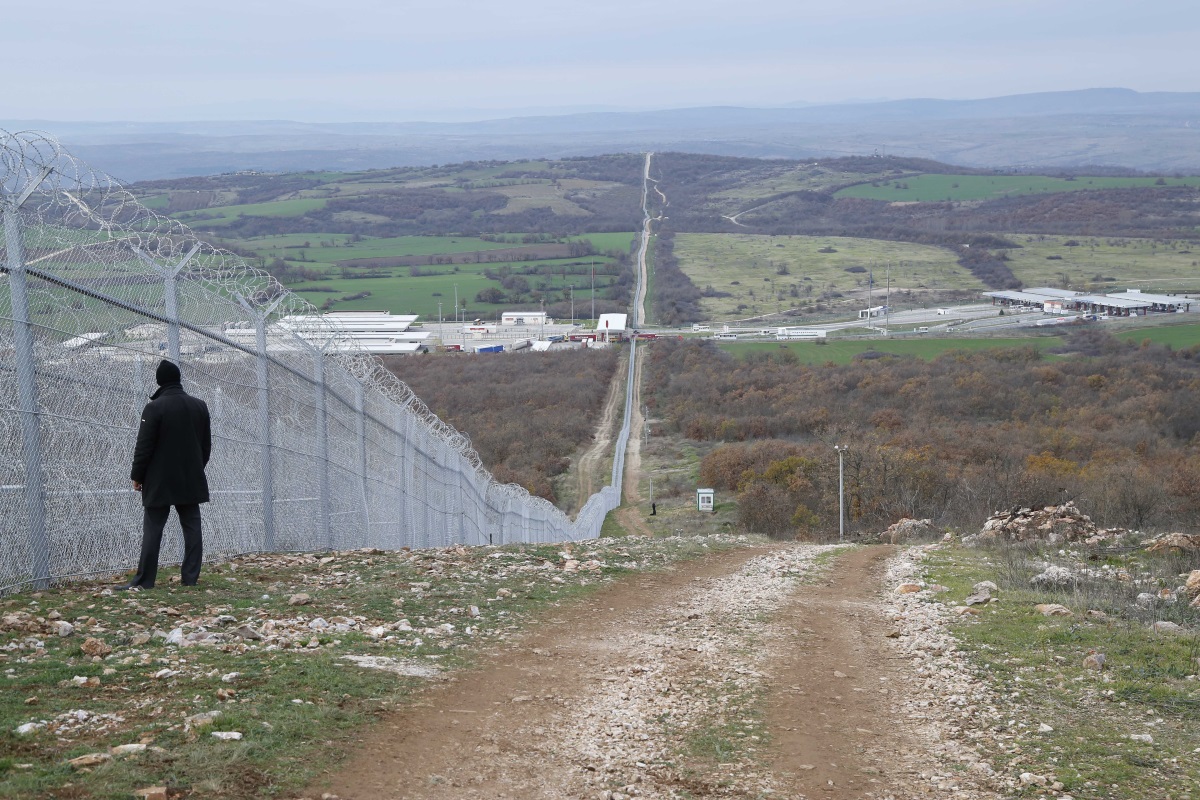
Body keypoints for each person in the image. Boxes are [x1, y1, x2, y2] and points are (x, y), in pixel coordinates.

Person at [120, 359, 211, 590]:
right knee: (192, 527)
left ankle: (145, 580)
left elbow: (144, 447)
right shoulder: (199, 406)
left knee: (153, 529)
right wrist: (195, 468)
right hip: (190, 477)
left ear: (159, 382)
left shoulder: (154, 408)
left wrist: (137, 475)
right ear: (178, 379)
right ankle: (190, 578)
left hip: (159, 480)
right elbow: (206, 446)